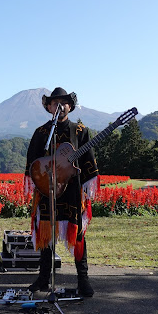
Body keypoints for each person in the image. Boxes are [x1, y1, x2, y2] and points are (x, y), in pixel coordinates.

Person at [24, 87, 98, 297]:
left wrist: (81, 180)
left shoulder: (80, 131)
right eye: (55, 103)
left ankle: (83, 280)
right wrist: (41, 179)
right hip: (48, 189)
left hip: (72, 190)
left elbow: (88, 162)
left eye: (63, 102)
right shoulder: (41, 133)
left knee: (79, 235)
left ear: (70, 107)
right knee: (46, 236)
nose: (59, 106)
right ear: (48, 107)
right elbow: (33, 163)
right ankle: (43, 278)